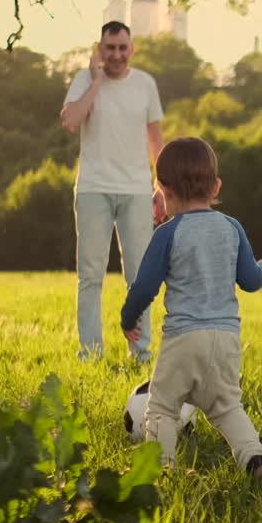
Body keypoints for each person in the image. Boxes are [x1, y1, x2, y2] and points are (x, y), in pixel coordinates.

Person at [120, 137, 262, 485]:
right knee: (227, 409)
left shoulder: (168, 233)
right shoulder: (232, 228)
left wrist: (128, 317)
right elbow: (250, 280)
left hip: (184, 339)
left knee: (162, 408)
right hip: (226, 340)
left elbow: (145, 287)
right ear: (217, 186)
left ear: (162, 189)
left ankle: (162, 473)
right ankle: (256, 459)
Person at [61, 21, 165, 361]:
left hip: (136, 191)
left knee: (140, 276)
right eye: (110, 48)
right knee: (90, 275)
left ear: (131, 49)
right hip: (93, 189)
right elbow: (71, 121)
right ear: (99, 49)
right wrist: (96, 82)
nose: (116, 54)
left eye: (122, 48)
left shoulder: (145, 84)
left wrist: (161, 186)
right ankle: (90, 353)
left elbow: (155, 139)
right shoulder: (84, 79)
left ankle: (140, 352)